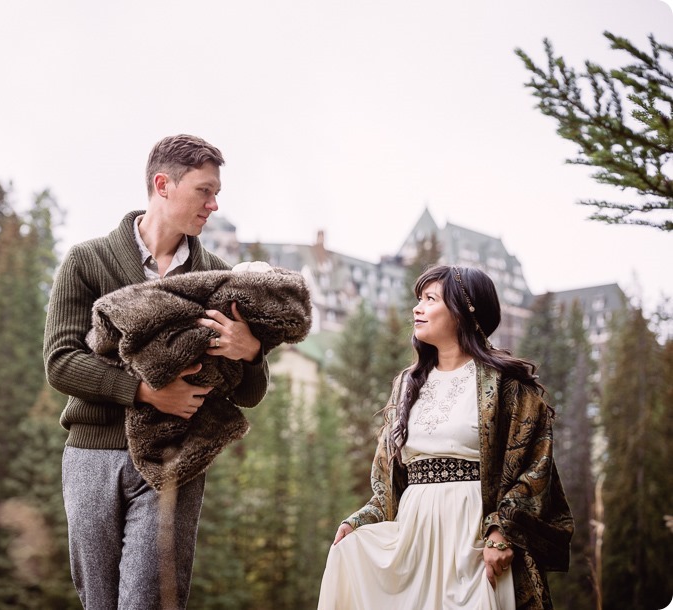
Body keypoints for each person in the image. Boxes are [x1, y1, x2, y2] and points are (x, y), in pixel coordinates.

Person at [43, 134, 269, 609]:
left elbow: (250, 393)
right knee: (99, 602)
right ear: (163, 184)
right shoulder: (87, 261)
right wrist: (145, 393)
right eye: (204, 191)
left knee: (152, 601)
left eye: (216, 191)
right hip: (92, 456)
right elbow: (61, 362)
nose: (214, 203)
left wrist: (250, 352)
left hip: (174, 462)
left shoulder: (222, 279)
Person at [317, 264, 573, 610]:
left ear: (463, 311)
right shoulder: (407, 385)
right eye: (418, 299)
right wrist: (361, 520)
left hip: (474, 538)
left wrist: (503, 532)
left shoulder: (507, 386)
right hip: (414, 538)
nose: (417, 308)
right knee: (346, 553)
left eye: (430, 299)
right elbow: (390, 481)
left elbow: (535, 469)